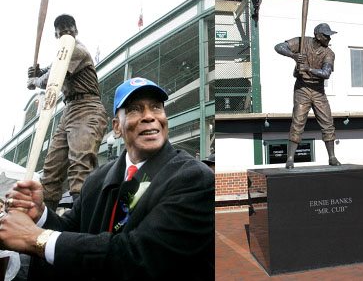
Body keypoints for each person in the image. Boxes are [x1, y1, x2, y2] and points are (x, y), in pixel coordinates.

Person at [0, 77, 214, 280]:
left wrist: (36, 238)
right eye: (134, 109)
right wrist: (41, 215)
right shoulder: (97, 179)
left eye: (156, 107)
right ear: (117, 127)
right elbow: (72, 229)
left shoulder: (194, 179)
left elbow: (136, 256)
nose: (149, 116)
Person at [27, 14, 108, 210]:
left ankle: (83, 225)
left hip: (87, 108)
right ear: (57, 36)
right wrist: (36, 72)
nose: (66, 34)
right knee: (50, 172)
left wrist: (35, 81)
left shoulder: (77, 49)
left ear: (76, 31)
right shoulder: (62, 53)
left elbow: (54, 76)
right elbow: (49, 68)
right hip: (69, 110)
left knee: (80, 166)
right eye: (62, 32)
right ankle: (46, 225)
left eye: (69, 30)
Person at [275, 23, 341, 169]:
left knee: (327, 123)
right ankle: (290, 158)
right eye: (326, 35)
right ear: (318, 36)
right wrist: (293, 55)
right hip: (302, 88)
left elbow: (326, 73)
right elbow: (278, 47)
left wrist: (308, 68)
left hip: (318, 90)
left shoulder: (329, 53)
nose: (329, 38)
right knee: (298, 122)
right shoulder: (302, 41)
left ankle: (332, 157)